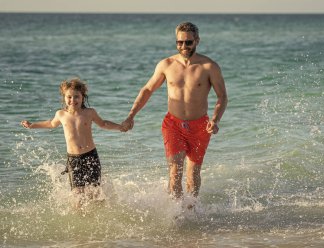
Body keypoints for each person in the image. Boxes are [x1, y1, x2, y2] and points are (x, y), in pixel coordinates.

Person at [122, 22, 228, 201]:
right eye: (180, 42)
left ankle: (191, 211)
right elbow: (147, 90)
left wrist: (215, 120)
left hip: (200, 125)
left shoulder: (209, 66)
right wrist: (131, 115)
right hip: (173, 124)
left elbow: (222, 97)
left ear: (197, 41)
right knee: (174, 171)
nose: (183, 46)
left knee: (193, 175)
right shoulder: (166, 64)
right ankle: (175, 215)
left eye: (188, 42)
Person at [21, 78, 126, 208]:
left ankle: (100, 217)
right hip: (73, 159)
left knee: (95, 193)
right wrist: (33, 125)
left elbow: (103, 124)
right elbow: (50, 124)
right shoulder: (61, 114)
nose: (72, 100)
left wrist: (120, 127)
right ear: (64, 98)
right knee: (77, 196)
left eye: (76, 97)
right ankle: (80, 220)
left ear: (83, 97)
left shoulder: (89, 113)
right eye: (69, 97)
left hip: (90, 156)